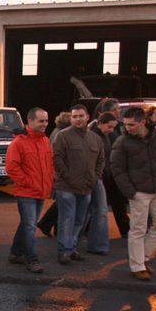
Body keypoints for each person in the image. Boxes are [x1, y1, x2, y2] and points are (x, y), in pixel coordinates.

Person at [111, 107, 156, 280]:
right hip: (139, 192)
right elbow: (117, 168)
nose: (127, 128)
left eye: (131, 124)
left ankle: (141, 257)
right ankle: (137, 265)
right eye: (125, 124)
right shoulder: (122, 142)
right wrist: (131, 192)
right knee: (138, 228)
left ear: (142, 122)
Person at [52, 104, 104, 265]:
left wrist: (95, 178)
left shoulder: (95, 138)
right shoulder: (63, 136)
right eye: (74, 116)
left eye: (81, 116)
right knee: (67, 219)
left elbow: (101, 160)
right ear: (71, 118)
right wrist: (68, 177)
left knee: (80, 220)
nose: (78, 119)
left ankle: (72, 247)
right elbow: (57, 159)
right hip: (66, 187)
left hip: (86, 187)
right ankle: (64, 251)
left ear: (87, 117)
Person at [5, 107, 54, 273]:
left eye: (46, 121)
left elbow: (49, 165)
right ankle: (32, 259)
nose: (45, 124)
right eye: (41, 121)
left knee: (27, 224)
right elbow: (12, 167)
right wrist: (27, 182)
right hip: (26, 192)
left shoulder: (45, 140)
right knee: (30, 225)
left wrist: (48, 182)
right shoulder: (18, 142)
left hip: (39, 190)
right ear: (30, 121)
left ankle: (15, 252)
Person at [94, 98, 129, 238]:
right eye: (116, 109)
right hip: (103, 173)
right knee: (99, 207)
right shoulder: (95, 130)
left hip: (113, 171)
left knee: (117, 202)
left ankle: (125, 229)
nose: (118, 112)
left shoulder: (118, 127)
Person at [85, 111, 118, 255]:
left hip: (99, 177)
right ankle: (98, 245)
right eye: (109, 127)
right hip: (96, 178)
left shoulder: (102, 136)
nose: (111, 130)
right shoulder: (94, 137)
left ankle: (72, 243)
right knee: (100, 211)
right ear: (100, 124)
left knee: (88, 212)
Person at [35, 111, 72, 237]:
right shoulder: (62, 134)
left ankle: (48, 224)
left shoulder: (56, 132)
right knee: (62, 202)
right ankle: (49, 225)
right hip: (59, 174)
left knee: (61, 202)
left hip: (55, 173)